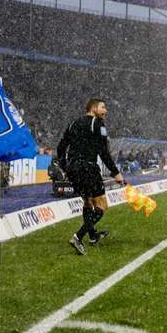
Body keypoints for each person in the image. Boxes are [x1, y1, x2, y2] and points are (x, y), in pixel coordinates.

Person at [57, 98, 124, 255]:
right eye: (103, 107)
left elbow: (61, 147)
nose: (105, 111)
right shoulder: (98, 123)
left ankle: (93, 236)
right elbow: (103, 151)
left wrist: (65, 167)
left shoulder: (73, 123)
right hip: (88, 167)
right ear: (93, 108)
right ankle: (78, 237)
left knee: (87, 202)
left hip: (74, 169)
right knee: (101, 205)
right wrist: (116, 172)